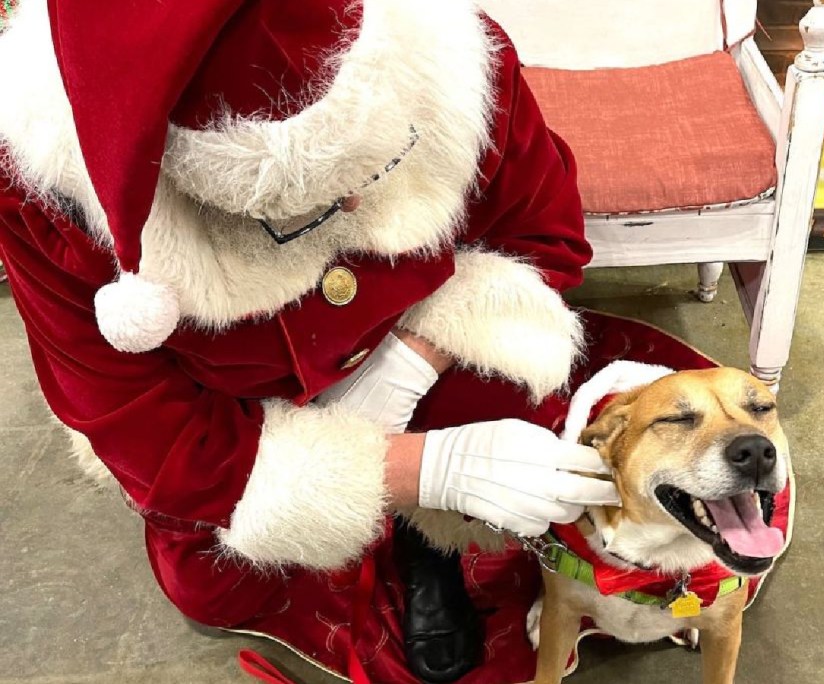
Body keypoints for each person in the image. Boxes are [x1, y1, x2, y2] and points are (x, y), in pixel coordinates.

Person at [0, 1, 620, 682]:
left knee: (511, 373)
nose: (353, 206)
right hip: (229, 399)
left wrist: (415, 360)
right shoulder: (38, 188)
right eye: (302, 210)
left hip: (410, 327)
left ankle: (427, 548)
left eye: (375, 169)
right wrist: (426, 467)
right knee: (211, 588)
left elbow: (540, 234)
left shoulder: (462, 56)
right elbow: (133, 420)